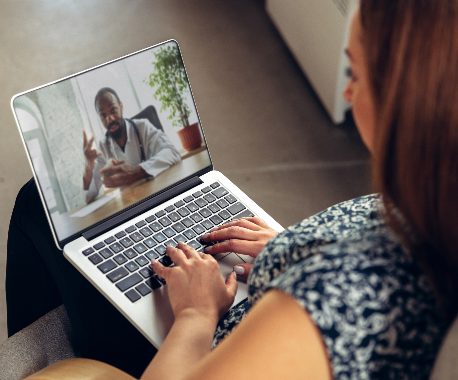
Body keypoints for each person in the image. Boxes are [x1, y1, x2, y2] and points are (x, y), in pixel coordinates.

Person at [5, 1, 457, 379]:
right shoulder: (431, 209)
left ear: (411, 100)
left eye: (356, 74)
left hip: (200, 341)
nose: (351, 93)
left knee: (34, 208)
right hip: (250, 283)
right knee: (45, 205)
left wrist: (195, 316)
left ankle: (41, 357)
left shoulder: (329, 306)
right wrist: (294, 248)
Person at [83, 87, 181, 203]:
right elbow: (89, 197)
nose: (109, 119)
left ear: (121, 106)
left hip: (159, 196)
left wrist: (136, 172)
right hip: (132, 204)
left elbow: (172, 152)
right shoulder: (104, 145)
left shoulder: (142, 127)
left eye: (113, 110)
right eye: (103, 115)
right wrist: (89, 165)